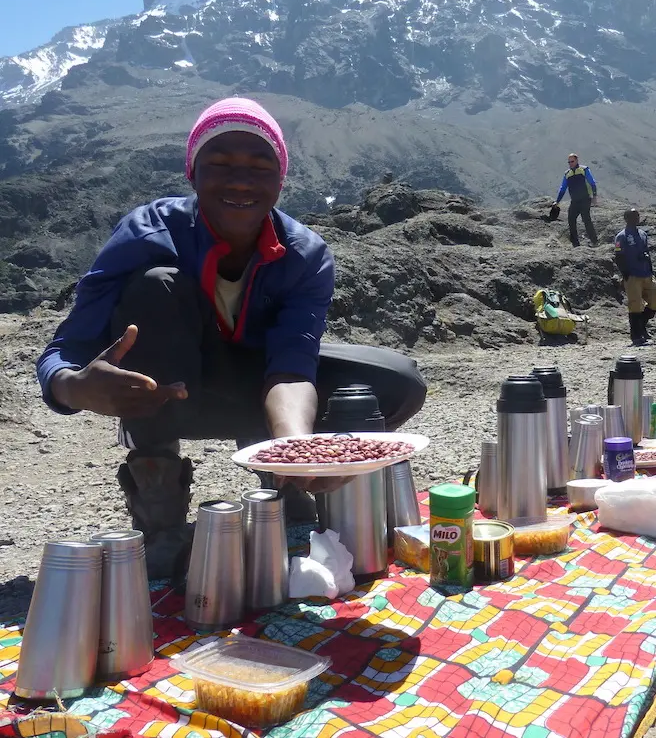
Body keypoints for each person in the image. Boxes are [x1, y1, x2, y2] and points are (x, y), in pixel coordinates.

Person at [36, 97, 427, 580]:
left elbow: (291, 363)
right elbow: (64, 349)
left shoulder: (304, 255)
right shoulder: (147, 231)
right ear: (192, 174)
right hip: (173, 392)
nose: (240, 180)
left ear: (280, 180)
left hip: (255, 386)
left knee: (394, 381)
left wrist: (295, 451)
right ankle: (160, 517)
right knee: (156, 284)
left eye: (260, 167)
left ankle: (280, 482)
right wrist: (74, 388)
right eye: (219, 164)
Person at [614, 208, 656, 346]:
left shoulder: (642, 234)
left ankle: (641, 325)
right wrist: (625, 274)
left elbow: (646, 252)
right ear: (627, 218)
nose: (637, 218)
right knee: (635, 305)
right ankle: (636, 336)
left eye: (638, 216)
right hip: (632, 275)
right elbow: (618, 256)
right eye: (634, 216)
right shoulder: (621, 236)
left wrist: (651, 269)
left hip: (646, 273)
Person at [553, 154, 598, 246]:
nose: (570, 164)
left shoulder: (584, 170)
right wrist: (557, 201)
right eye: (569, 162)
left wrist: (594, 196)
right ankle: (575, 242)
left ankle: (594, 241)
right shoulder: (567, 174)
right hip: (575, 201)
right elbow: (563, 188)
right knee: (571, 219)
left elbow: (592, 183)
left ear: (577, 161)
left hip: (585, 199)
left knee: (586, 219)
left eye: (572, 161)